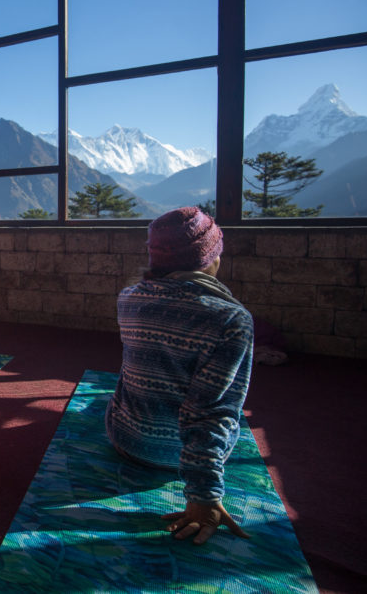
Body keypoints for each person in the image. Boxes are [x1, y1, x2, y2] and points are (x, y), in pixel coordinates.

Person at [105, 206, 254, 546]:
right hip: (174, 456)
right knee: (230, 408)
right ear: (211, 258)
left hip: (124, 439)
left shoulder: (128, 299)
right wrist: (204, 494)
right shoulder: (232, 319)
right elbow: (211, 412)